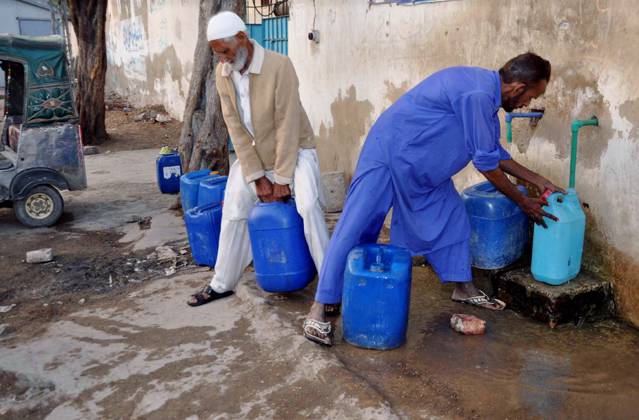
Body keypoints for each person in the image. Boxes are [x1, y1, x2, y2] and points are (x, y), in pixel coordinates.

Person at [303, 53, 564, 345]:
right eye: (532, 95)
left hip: (422, 169)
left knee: (453, 219)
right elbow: (487, 165)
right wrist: (522, 201)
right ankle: (318, 309)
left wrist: (540, 181)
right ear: (517, 88)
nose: (528, 104)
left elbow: (494, 153)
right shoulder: (478, 95)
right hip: (390, 154)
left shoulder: (486, 99)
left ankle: (463, 288)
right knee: (356, 226)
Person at [187, 11, 329, 306]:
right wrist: (256, 176)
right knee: (234, 208)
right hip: (256, 155)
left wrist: (282, 178)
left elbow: (288, 125)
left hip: (295, 151)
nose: (223, 59)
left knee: (308, 205)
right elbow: (235, 129)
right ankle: (222, 282)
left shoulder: (280, 66)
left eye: (225, 51)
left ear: (242, 39)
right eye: (217, 54)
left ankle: (330, 286)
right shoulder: (222, 74)